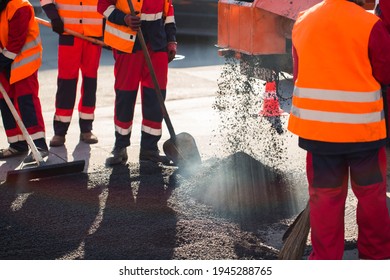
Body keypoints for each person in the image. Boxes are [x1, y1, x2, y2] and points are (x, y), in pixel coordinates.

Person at [288, 0, 390, 259]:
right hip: (362, 134)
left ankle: (326, 261)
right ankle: (375, 258)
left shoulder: (303, 20)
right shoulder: (371, 24)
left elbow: (299, 72)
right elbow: (386, 74)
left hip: (319, 136)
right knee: (371, 199)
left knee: (325, 201)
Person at [97, 0, 177, 166]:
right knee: (125, 95)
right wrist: (124, 18)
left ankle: (149, 148)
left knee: (156, 96)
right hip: (128, 43)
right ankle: (120, 147)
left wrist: (171, 40)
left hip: (156, 43)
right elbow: (103, 6)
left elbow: (168, 10)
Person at [40, 0, 104, 147]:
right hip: (69, 32)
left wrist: (107, 28)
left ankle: (86, 129)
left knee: (90, 82)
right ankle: (60, 132)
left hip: (93, 35)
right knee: (66, 83)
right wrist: (54, 17)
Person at [0, 0, 49, 163]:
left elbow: (16, 42)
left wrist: (1, 61)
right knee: (5, 102)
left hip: (23, 61)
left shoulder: (19, 7)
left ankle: (39, 145)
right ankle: (17, 144)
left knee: (26, 101)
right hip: (5, 60)